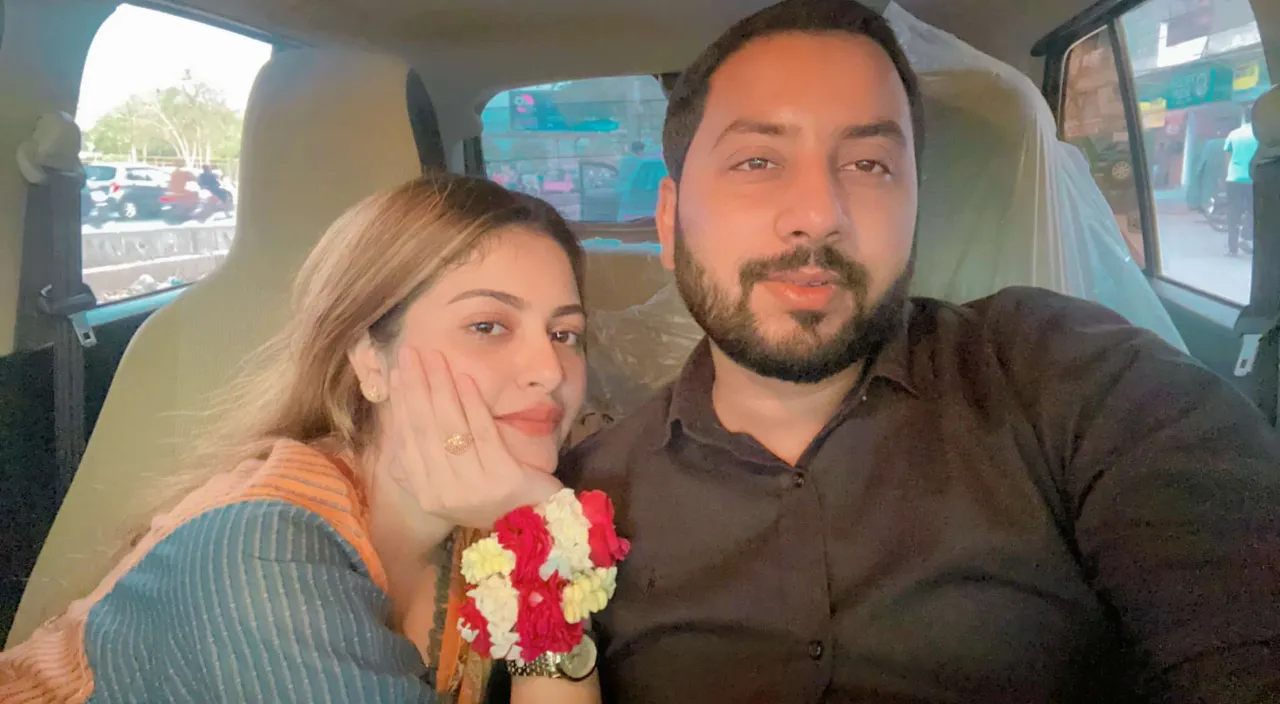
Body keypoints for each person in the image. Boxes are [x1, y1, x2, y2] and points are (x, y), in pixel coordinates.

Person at [562, 1, 1280, 701]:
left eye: (870, 165)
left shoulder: (1063, 376)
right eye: (757, 160)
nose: (819, 215)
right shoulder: (580, 504)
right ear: (668, 221)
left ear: (914, 209)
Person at [0, 173, 601, 704]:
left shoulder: (482, 513)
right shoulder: (260, 555)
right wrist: (547, 546)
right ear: (370, 360)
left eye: (565, 333)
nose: (548, 370)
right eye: (488, 326)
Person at [1224, 113, 1258, 256]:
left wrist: (1227, 173)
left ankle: (1232, 248)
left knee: (1233, 212)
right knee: (1253, 211)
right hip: (1253, 178)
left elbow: (1227, 156)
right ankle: (1246, 237)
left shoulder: (1233, 134)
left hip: (1234, 178)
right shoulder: (1259, 135)